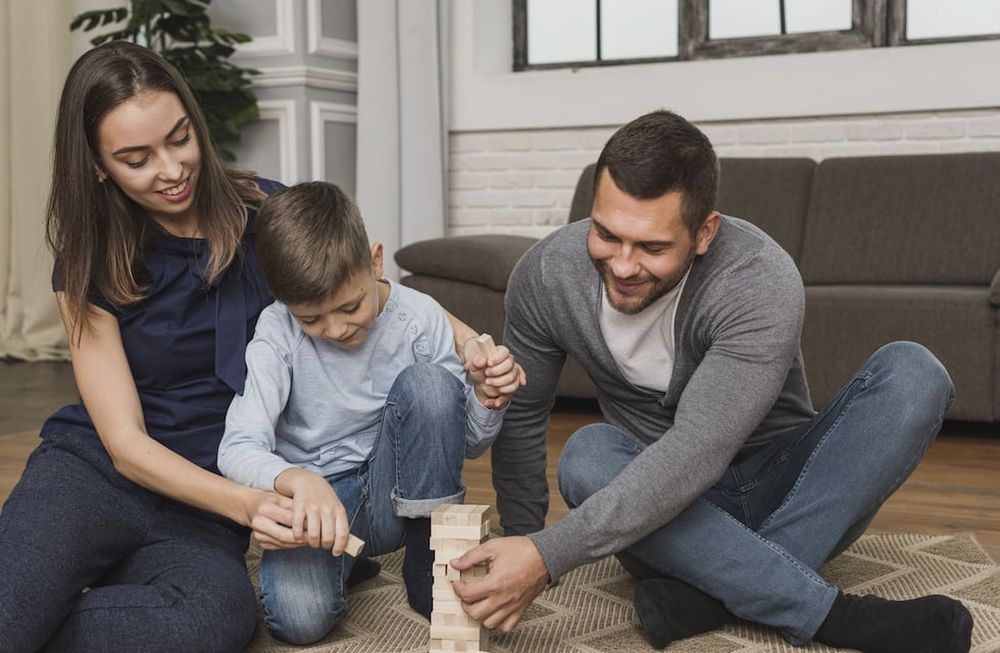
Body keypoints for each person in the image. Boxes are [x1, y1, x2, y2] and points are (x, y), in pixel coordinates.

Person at [0, 42, 476, 652]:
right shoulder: (88, 258)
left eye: (179, 139)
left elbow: (376, 292)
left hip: (203, 507)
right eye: (136, 158)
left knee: (212, 624)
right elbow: (125, 446)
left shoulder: (267, 212)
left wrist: (473, 343)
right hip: (95, 475)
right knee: (11, 611)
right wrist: (252, 504)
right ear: (97, 165)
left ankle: (54, 604)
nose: (171, 170)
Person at [448, 110, 973, 653]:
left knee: (915, 373)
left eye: (652, 247)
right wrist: (519, 543)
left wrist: (549, 555)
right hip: (657, 505)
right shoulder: (546, 275)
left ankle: (793, 610)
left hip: (786, 487)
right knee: (587, 456)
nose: (623, 266)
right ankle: (754, 586)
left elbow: (701, 447)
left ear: (704, 232)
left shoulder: (757, 278)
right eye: (606, 235)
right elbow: (524, 412)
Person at [216, 180, 524, 645]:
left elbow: (469, 445)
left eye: (349, 306)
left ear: (375, 261)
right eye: (311, 319)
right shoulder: (276, 332)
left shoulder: (419, 317)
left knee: (431, 384)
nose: (335, 329)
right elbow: (237, 447)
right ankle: (351, 562)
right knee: (297, 621)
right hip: (323, 504)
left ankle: (427, 558)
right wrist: (296, 481)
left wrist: (485, 398)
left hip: (399, 488)